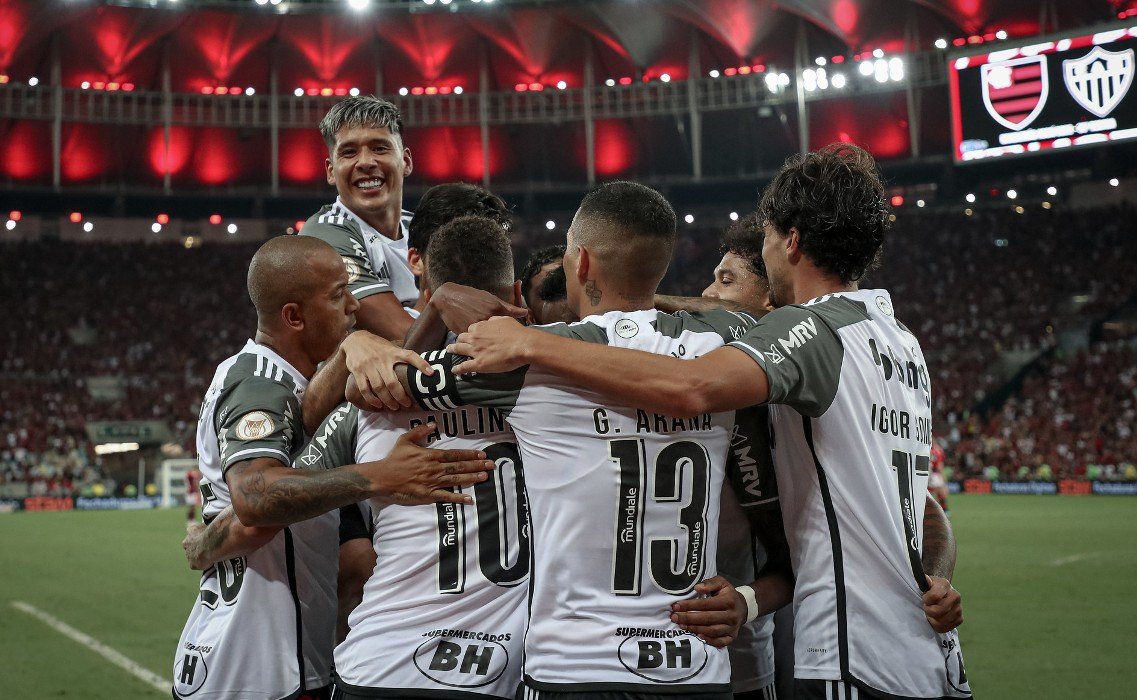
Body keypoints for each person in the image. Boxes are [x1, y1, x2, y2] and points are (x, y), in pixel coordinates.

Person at [446, 145, 970, 699]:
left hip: (856, 650)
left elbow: (691, 387)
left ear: (791, 241)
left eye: (766, 239)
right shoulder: (901, 343)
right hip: (926, 653)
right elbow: (917, 504)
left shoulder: (810, 331)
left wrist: (532, 343)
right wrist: (936, 572)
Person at [391, 182, 794, 698]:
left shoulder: (523, 355)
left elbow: (392, 384)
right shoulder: (725, 342)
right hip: (692, 667)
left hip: (572, 666)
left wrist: (409, 319)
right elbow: (764, 319)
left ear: (580, 262)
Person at [172, 235, 495, 700]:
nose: (353, 306)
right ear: (294, 317)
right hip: (256, 666)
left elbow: (310, 419)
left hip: (260, 656)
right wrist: (381, 476)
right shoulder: (259, 383)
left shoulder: (284, 382)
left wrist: (407, 321)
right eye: (338, 294)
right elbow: (256, 497)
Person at [305, 216, 530, 699]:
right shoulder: (553, 387)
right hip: (500, 671)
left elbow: (283, 488)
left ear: (422, 298)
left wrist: (372, 476)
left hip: (377, 665)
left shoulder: (369, 397)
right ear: (516, 293)